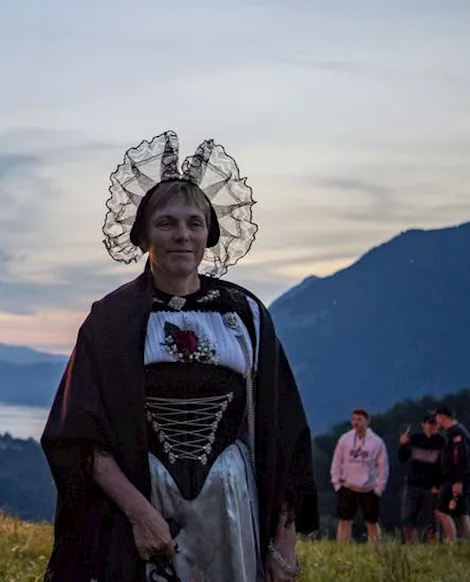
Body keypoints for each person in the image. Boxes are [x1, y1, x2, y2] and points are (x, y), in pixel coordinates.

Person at [41, 131, 318, 582]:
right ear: (143, 235)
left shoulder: (245, 316)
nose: (182, 235)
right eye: (166, 223)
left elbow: (285, 435)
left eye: (194, 222)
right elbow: (78, 435)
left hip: (233, 512)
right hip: (139, 511)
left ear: (209, 234)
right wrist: (139, 515)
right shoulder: (112, 320)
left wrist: (282, 546)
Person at [330, 409, 388, 543]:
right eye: (354, 419)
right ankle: (342, 548)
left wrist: (379, 488)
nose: (355, 423)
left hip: (368, 488)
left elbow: (383, 466)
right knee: (345, 520)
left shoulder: (376, 442)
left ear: (367, 421)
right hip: (347, 486)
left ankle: (374, 548)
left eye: (359, 419)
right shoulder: (345, 439)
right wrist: (336, 483)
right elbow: (337, 461)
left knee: (371, 521)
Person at [398, 412, 445, 543]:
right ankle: (411, 545)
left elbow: (444, 467)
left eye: (434, 424)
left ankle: (433, 546)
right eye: (429, 423)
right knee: (407, 517)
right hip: (413, 484)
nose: (432, 426)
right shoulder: (414, 439)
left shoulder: (441, 442)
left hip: (431, 487)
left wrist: (438, 485)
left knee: (431, 520)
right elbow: (402, 459)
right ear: (423, 425)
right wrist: (402, 445)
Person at [434, 404, 470, 542]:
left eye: (437, 418)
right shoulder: (453, 432)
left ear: (443, 417)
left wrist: (458, 481)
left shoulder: (457, 434)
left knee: (441, 510)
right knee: (460, 511)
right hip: (455, 478)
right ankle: (468, 541)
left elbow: (461, 458)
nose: (436, 421)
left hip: (454, 478)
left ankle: (451, 540)